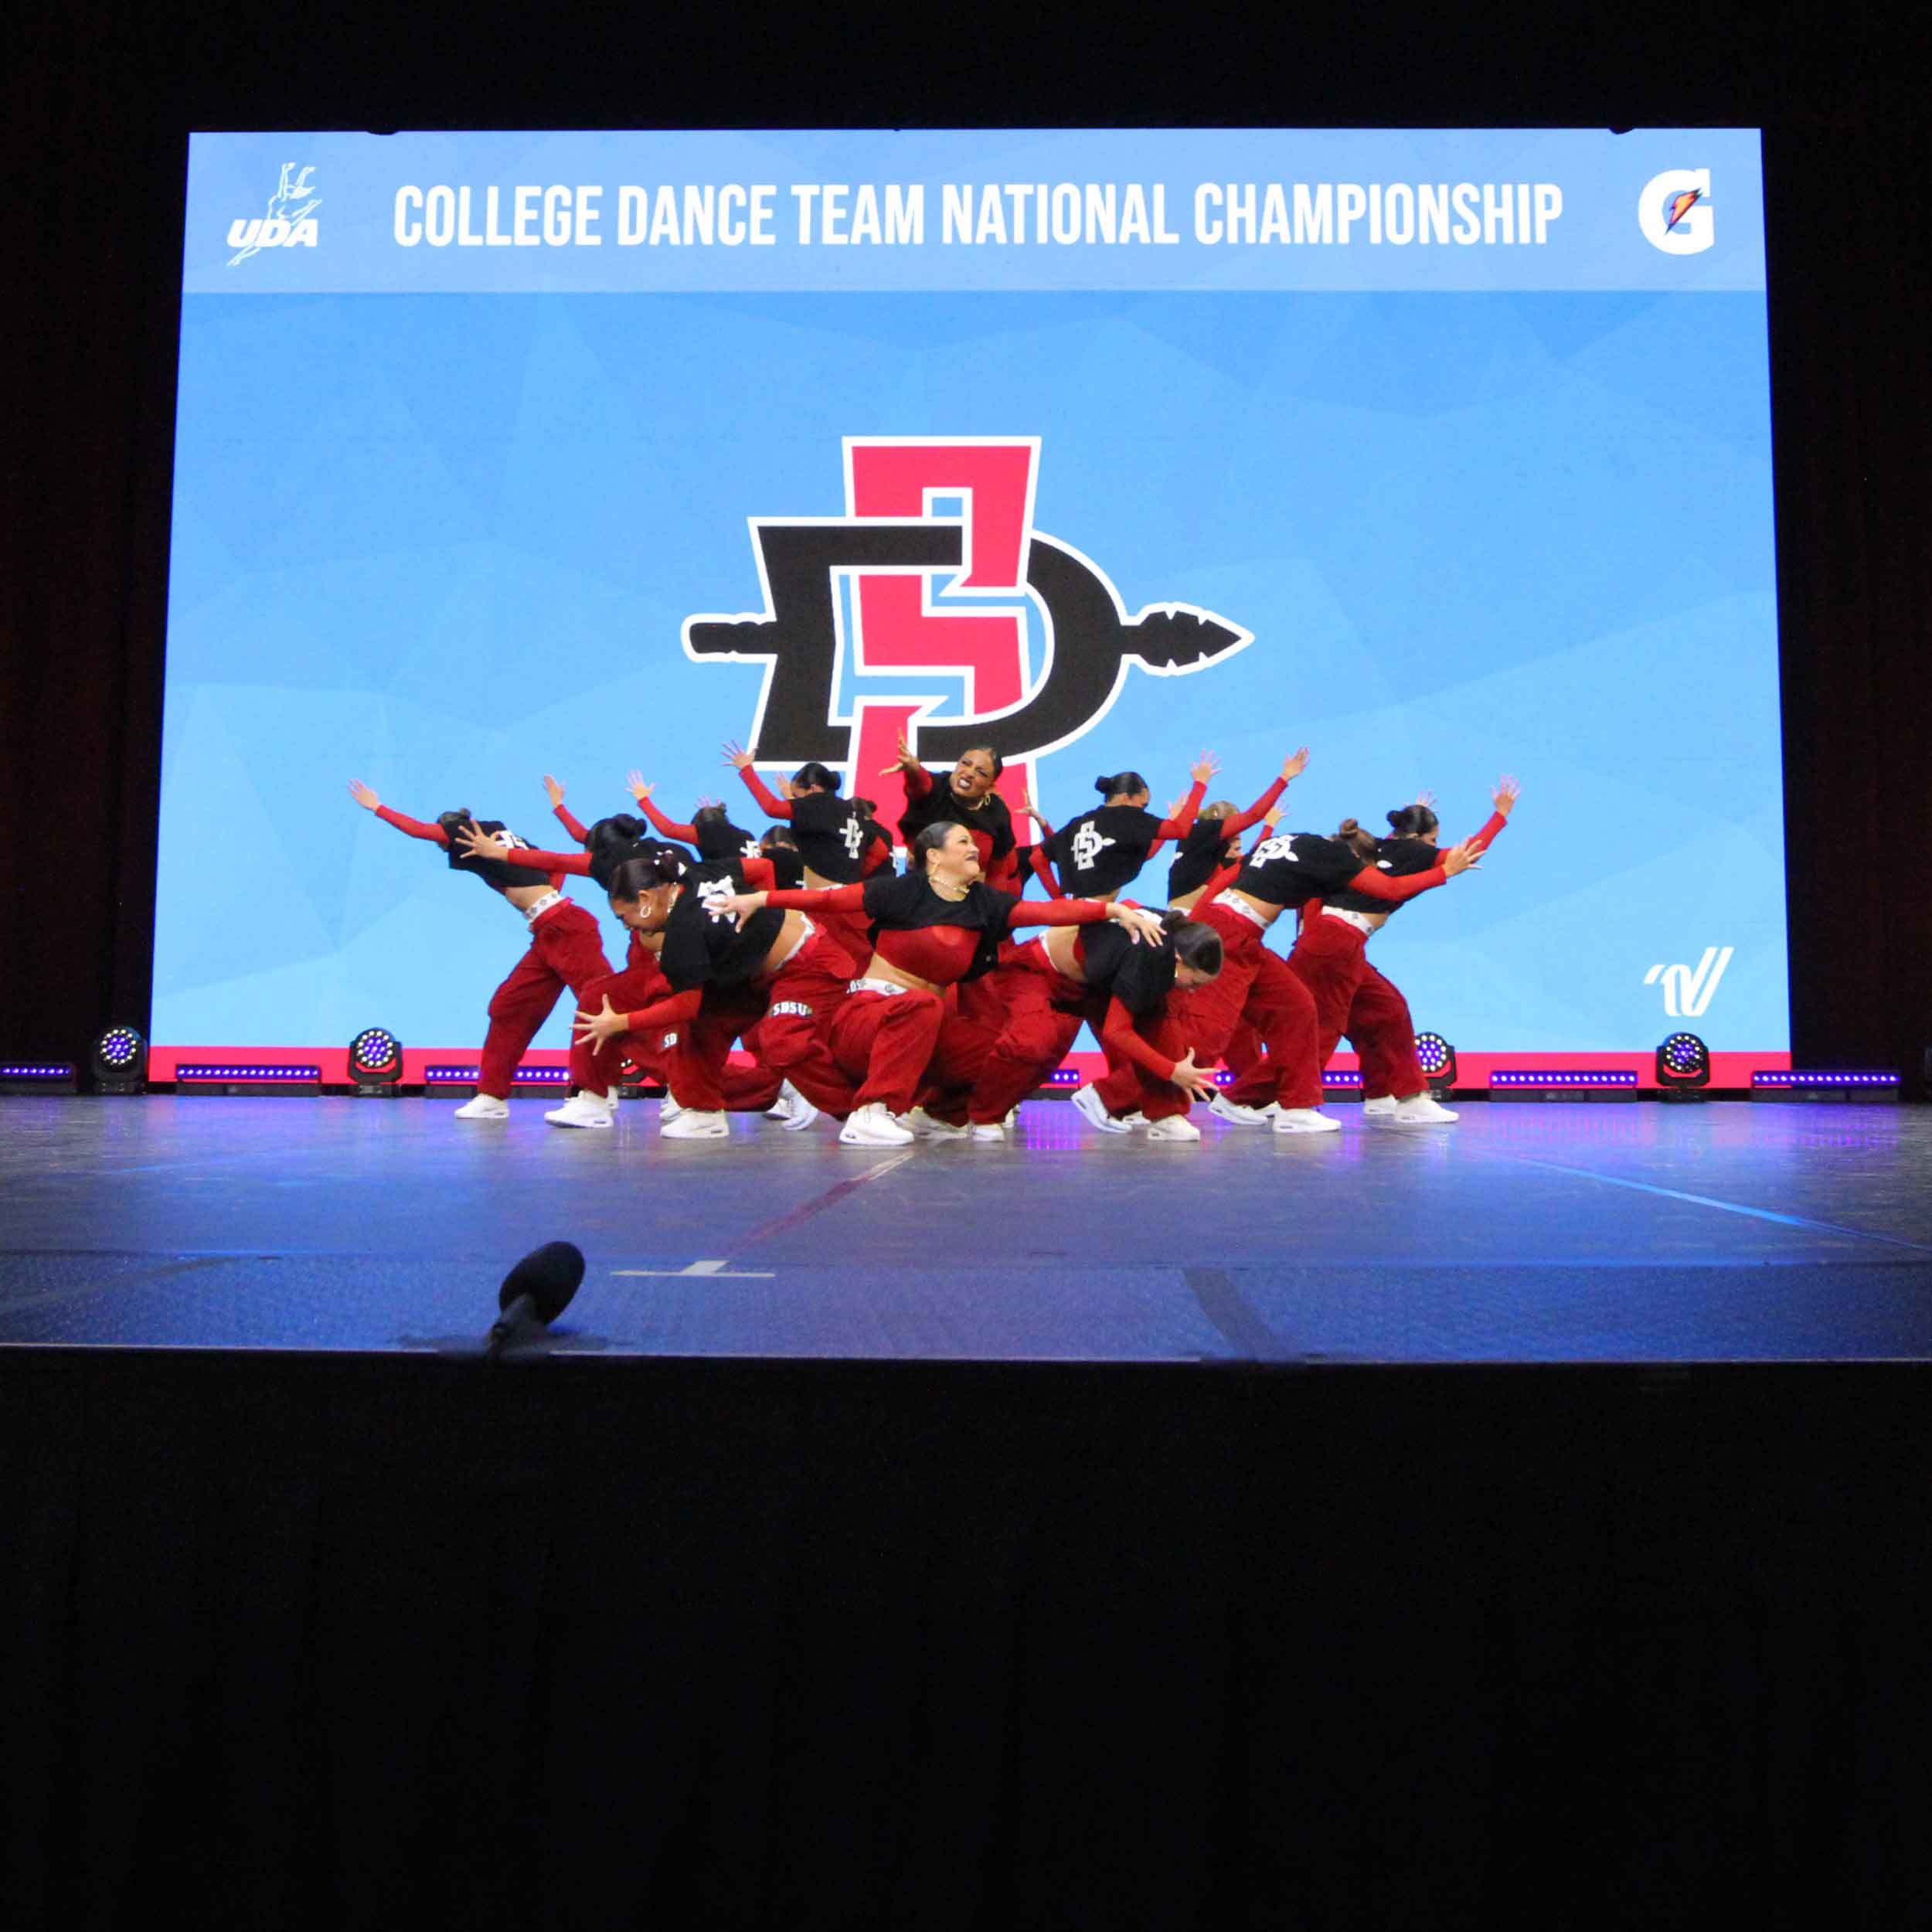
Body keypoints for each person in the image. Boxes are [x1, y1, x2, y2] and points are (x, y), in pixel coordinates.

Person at [711, 821, 1167, 1146]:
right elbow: (826, 899)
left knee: (1002, 1047)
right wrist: (760, 898)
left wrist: (1113, 911)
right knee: (924, 1007)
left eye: (974, 842)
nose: (975, 848)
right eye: (964, 842)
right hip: (867, 1021)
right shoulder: (901, 890)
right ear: (934, 855)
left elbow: (1048, 913)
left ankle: (940, 1115)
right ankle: (871, 1113)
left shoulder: (983, 902)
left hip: (923, 1032)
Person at [1080, 781, 1481, 1136]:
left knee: (1297, 1007)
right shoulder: (1336, 861)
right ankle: (1107, 1096)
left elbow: (1230, 875)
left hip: (1240, 934)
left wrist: (1200, 920)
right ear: (1359, 858)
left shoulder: (1294, 842)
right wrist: (1448, 871)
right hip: (1230, 937)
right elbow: (1389, 889)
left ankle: (1296, 1107)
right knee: (1205, 1041)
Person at [346, 781, 612, 1121]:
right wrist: (542, 895)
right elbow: (556, 866)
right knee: (508, 1007)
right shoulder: (501, 836)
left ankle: (600, 1098)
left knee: (603, 1010)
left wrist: (377, 807)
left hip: (567, 927)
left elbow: (418, 830)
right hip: (548, 929)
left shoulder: (466, 834)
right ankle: (492, 1096)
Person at [1266, 781, 1518, 1128]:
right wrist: (1500, 815)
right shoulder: (1418, 853)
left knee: (1387, 1012)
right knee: (1324, 1026)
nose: (1435, 847)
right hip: (1334, 944)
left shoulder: (1377, 847)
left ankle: (1389, 1095)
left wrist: (1413, 815)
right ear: (1419, 839)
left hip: (1336, 943)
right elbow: (1470, 851)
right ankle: (1283, 1104)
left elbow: (1398, 850)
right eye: (1433, 839)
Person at [568, 844, 860, 1139]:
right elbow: (760, 868)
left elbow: (684, 1005)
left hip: (809, 964)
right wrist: (759, 924)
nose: (625, 926)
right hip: (751, 975)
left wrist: (620, 1023)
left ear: (645, 899)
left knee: (783, 1040)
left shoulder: (683, 934)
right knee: (701, 1028)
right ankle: (703, 1113)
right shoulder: (696, 873)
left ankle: (858, 1111)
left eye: (623, 917)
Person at [962, 910, 1225, 1142]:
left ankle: (1164, 1114)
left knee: (1161, 1017)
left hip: (1093, 985)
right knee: (1034, 1043)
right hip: (1037, 973)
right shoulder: (1149, 957)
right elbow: (1117, 1031)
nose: (1193, 992)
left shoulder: (1171, 936)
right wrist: (1171, 1071)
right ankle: (985, 1116)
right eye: (1195, 983)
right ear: (1178, 959)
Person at [722, 747, 893, 965]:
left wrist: (747, 769)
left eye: (796, 795)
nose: (794, 801)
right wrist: (855, 874)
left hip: (826, 907)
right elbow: (879, 850)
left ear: (812, 789)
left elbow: (771, 807)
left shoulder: (815, 804)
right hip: (848, 902)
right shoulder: (851, 811)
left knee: (819, 966)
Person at [1031, 755, 1219, 899]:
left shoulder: (1077, 823)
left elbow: (1037, 857)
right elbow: (1180, 830)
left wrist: (1058, 900)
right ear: (1125, 797)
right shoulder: (1128, 817)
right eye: (1143, 805)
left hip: (1077, 911)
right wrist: (1200, 784)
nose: (1144, 811)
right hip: (1099, 917)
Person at [884, 736, 1029, 889]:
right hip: (920, 886)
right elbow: (921, 784)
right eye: (965, 763)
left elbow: (997, 872)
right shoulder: (938, 787)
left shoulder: (998, 814)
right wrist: (913, 769)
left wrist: (995, 907)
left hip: (964, 896)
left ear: (990, 787)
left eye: (981, 773)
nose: (969, 773)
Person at [1165, 751, 1309, 902]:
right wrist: (1284, 778)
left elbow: (1252, 859)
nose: (1235, 847)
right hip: (1187, 918)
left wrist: (1269, 826)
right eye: (1233, 838)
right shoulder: (1204, 833)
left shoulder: (1198, 843)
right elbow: (1253, 815)